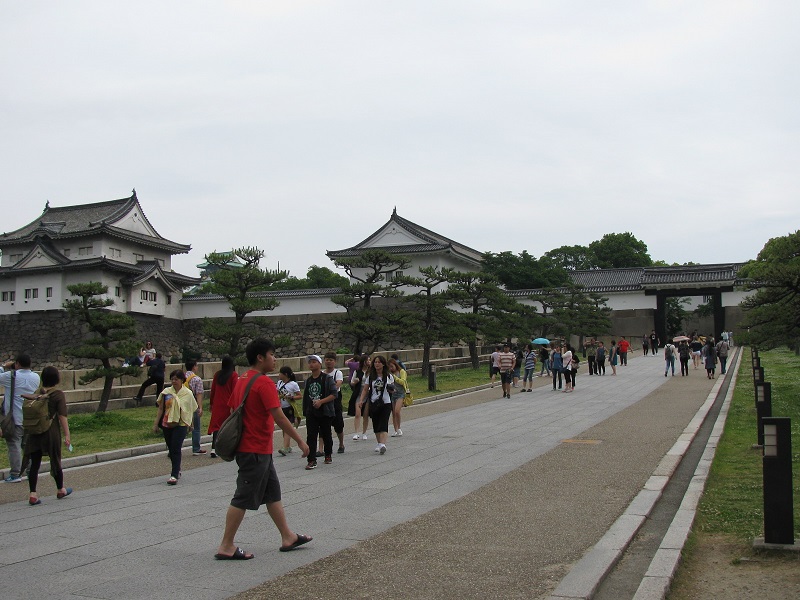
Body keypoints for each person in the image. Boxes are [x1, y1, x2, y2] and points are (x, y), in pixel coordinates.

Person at [215, 338, 311, 560]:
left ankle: (287, 536)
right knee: (242, 496)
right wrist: (300, 440)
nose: (275, 359)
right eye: (272, 355)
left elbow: (232, 408)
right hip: (254, 449)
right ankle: (226, 545)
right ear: (260, 357)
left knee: (272, 493)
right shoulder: (264, 383)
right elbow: (279, 416)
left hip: (255, 448)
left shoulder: (242, 379)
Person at [23, 366, 72, 505]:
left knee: (35, 463)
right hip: (51, 431)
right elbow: (62, 416)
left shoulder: (37, 393)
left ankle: (33, 494)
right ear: (57, 379)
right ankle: (60, 489)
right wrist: (67, 434)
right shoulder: (58, 394)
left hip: (35, 431)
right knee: (55, 460)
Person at [152, 369, 198, 485]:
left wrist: (191, 424)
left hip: (181, 424)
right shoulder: (166, 392)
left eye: (176, 379)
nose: (174, 381)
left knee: (176, 447)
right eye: (172, 379)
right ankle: (177, 468)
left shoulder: (188, 393)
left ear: (182, 380)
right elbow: (161, 408)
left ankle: (174, 474)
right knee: (171, 448)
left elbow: (190, 410)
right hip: (167, 423)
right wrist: (156, 423)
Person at [0, 354, 41, 483]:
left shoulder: (11, 376)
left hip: (14, 418)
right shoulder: (36, 377)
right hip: (30, 417)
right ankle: (30, 471)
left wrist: (3, 366)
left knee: (14, 445)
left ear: (17, 363)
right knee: (28, 447)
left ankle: (15, 474)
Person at [303, 355, 337, 470]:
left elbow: (334, 394)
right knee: (311, 436)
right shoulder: (308, 380)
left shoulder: (327, 378)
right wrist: (305, 410)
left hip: (325, 412)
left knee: (326, 434)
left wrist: (321, 402)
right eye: (310, 362)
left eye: (314, 362)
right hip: (311, 412)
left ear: (320, 364)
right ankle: (311, 459)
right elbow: (306, 397)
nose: (311, 364)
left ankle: (328, 454)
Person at [360, 355, 394, 455]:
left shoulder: (388, 376)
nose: (377, 364)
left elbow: (392, 388)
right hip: (374, 402)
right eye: (375, 362)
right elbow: (365, 389)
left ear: (383, 364)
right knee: (376, 424)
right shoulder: (371, 376)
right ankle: (379, 443)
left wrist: (392, 390)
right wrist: (361, 400)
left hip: (385, 402)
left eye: (379, 362)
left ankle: (383, 444)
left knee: (383, 423)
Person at [209, 356, 238, 458]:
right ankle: (228, 447)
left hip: (218, 403)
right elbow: (235, 390)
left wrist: (211, 403)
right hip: (228, 403)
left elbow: (213, 390)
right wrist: (234, 404)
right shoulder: (233, 375)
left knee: (217, 427)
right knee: (228, 426)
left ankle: (214, 448)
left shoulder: (217, 375)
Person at [323, 352, 345, 455]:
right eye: (327, 360)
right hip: (324, 400)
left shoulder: (338, 373)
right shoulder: (322, 373)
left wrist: (329, 390)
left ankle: (341, 444)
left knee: (338, 424)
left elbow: (338, 384)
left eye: (331, 360)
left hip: (335, 401)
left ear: (335, 362)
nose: (329, 362)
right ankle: (321, 448)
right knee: (323, 425)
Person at [276, 366, 301, 456]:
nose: (279, 375)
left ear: (285, 374)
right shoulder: (279, 383)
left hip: (289, 408)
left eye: (280, 373)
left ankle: (285, 447)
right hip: (281, 407)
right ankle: (288, 445)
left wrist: (292, 397)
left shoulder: (293, 384)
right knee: (284, 427)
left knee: (287, 427)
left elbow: (299, 395)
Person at [184, 359, 206, 456]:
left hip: (182, 405)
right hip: (193, 405)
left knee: (182, 427)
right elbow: (199, 394)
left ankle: (174, 447)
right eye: (196, 366)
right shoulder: (197, 379)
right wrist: (200, 407)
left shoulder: (181, 377)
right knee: (196, 427)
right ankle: (196, 448)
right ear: (194, 367)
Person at [348, 354, 371, 441]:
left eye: (369, 360)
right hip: (359, 393)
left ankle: (364, 433)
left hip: (368, 393)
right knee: (358, 413)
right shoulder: (357, 371)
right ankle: (356, 432)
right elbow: (352, 382)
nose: (369, 362)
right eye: (367, 360)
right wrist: (355, 382)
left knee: (366, 414)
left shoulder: (371, 371)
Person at [388, 357, 407, 436]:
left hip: (401, 393)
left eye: (392, 366)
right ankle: (395, 429)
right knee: (393, 413)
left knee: (397, 411)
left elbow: (403, 381)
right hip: (393, 394)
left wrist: (394, 377)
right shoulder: (389, 374)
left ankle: (399, 428)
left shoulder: (401, 371)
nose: (391, 368)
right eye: (389, 367)